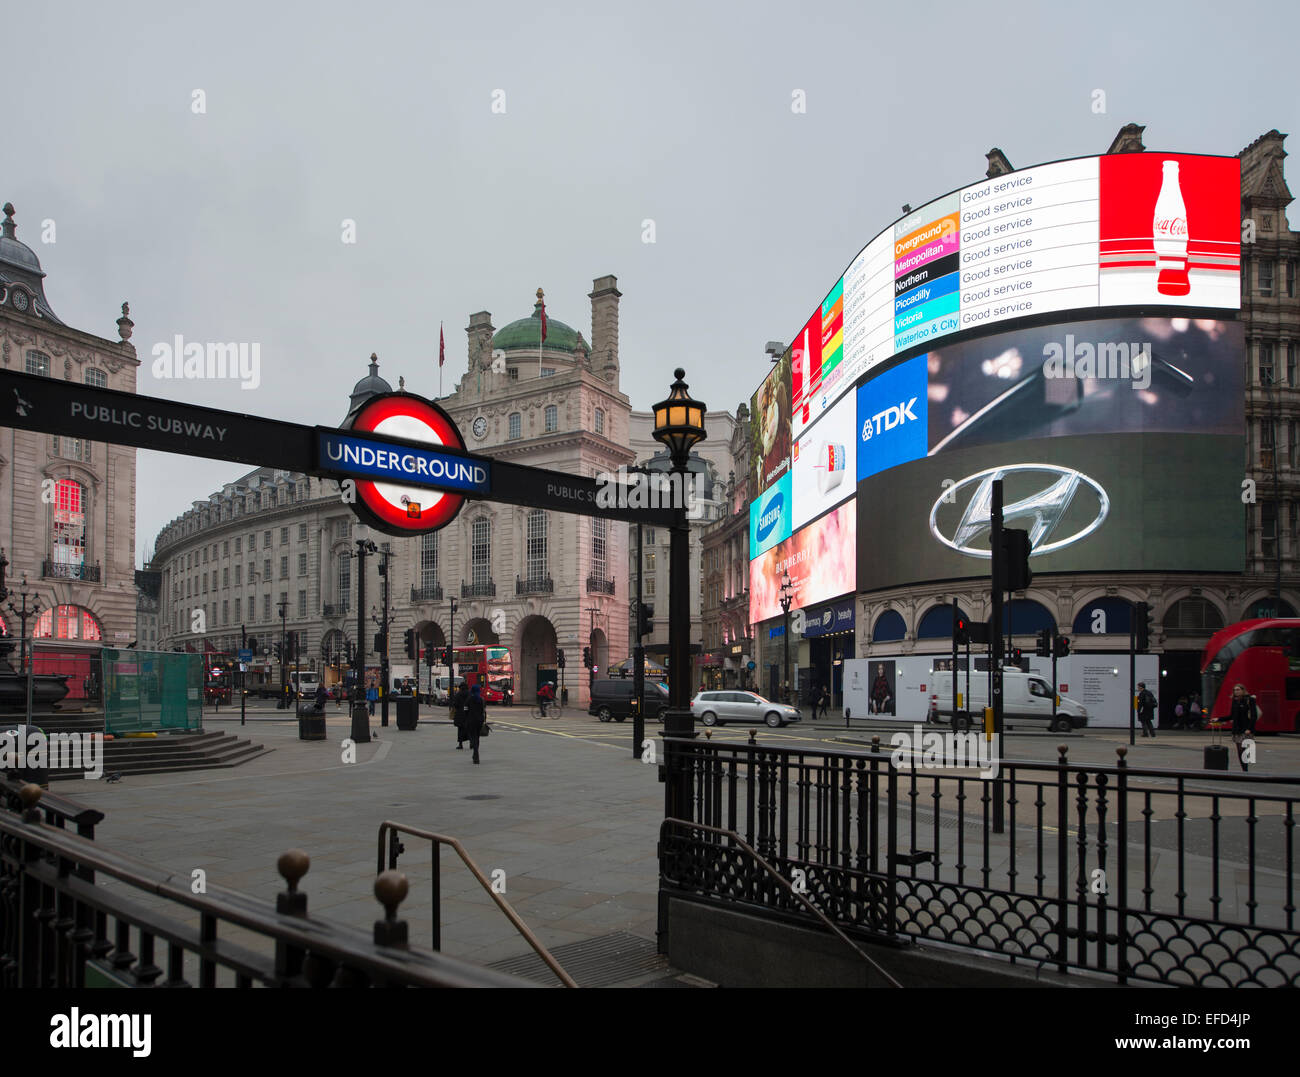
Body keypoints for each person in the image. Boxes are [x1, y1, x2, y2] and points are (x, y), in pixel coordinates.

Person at [1229, 683, 1258, 772]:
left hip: (1246, 729)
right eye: (1235, 690)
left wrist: (1249, 728)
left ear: (1243, 690)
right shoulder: (1234, 701)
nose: (1236, 692)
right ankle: (1244, 770)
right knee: (1239, 750)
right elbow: (1231, 716)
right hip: (1237, 729)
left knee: (1243, 749)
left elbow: (1254, 716)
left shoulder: (1250, 700)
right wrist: (1218, 719)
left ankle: (1245, 769)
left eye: (1238, 690)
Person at [465, 683, 486, 764]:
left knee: (472, 736)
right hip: (479, 721)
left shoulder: (469, 699)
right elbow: (483, 710)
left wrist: (467, 717)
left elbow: (465, 710)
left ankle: (475, 752)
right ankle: (475, 753)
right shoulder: (481, 699)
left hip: (471, 721)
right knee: (477, 737)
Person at [453, 682, 470, 749]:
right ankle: (471, 743)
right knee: (469, 729)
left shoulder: (458, 694)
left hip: (460, 714)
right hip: (468, 713)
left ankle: (460, 744)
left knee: (460, 729)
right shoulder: (469, 694)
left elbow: (455, 704)